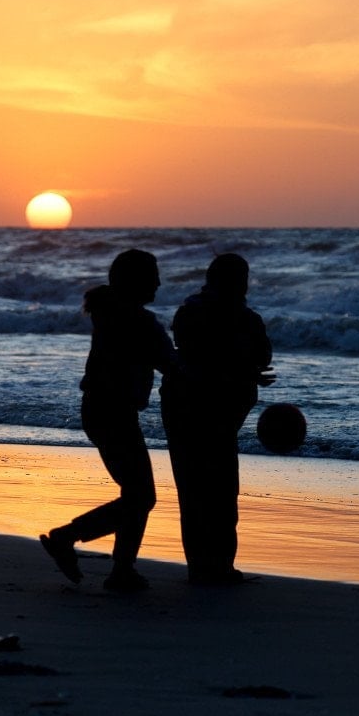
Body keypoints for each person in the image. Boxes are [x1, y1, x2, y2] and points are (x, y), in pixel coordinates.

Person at [40, 249, 174, 592]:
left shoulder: (110, 313)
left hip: (99, 410)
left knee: (136, 494)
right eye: (153, 277)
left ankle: (121, 568)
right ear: (136, 282)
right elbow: (171, 364)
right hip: (114, 413)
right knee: (141, 496)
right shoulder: (137, 322)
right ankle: (69, 539)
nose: (159, 283)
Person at [161, 253, 274, 585]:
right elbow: (257, 356)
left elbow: (194, 355)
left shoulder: (189, 312)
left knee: (194, 489)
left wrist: (243, 369)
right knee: (220, 489)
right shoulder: (241, 318)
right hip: (206, 410)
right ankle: (220, 566)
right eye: (241, 279)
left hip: (185, 407)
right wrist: (243, 370)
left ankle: (202, 567)